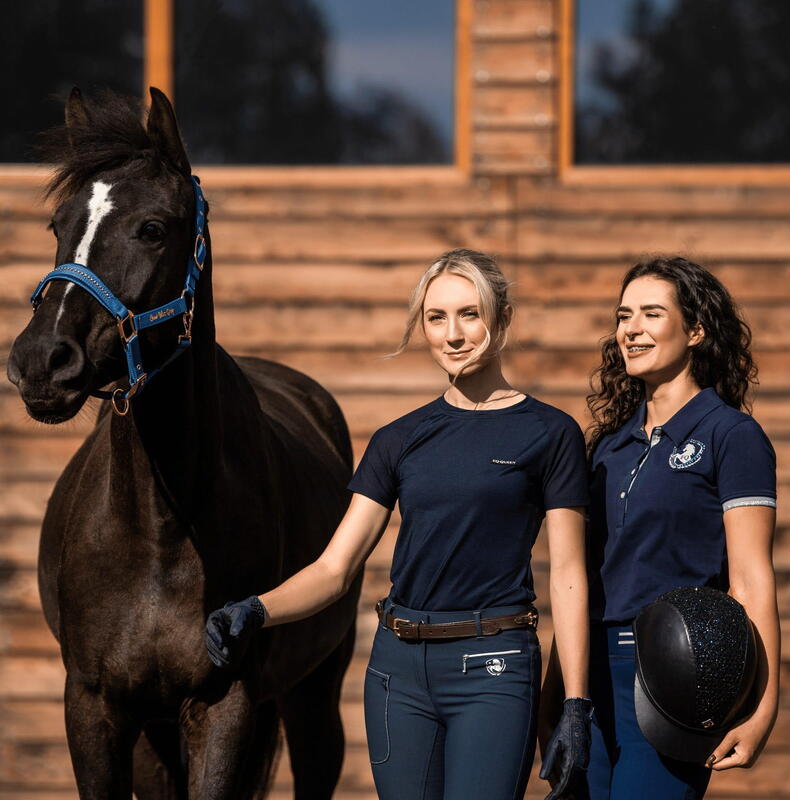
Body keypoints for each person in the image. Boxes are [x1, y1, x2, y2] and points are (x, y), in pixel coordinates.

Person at [205, 248, 593, 799]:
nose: (453, 334)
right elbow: (335, 568)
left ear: (502, 319)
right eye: (437, 318)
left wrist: (575, 704)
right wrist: (255, 610)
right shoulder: (397, 439)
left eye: (470, 314)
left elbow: (570, 575)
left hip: (494, 668)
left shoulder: (550, 434)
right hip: (398, 674)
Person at [558, 256, 779, 799]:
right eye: (623, 315)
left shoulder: (732, 435)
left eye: (651, 314)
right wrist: (561, 698)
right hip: (590, 683)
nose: (630, 329)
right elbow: (581, 579)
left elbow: (750, 580)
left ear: (696, 330)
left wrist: (763, 709)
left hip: (676, 677)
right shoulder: (607, 446)